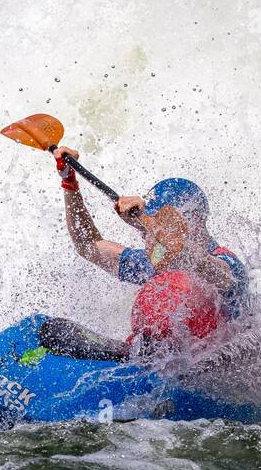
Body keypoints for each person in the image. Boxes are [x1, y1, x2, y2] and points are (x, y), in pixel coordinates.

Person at [33, 144, 248, 363]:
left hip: (218, 365)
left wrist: (149, 223)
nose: (149, 230)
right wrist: (70, 184)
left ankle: (139, 356)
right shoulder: (154, 262)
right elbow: (88, 245)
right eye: (153, 220)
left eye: (162, 220)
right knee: (52, 331)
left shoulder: (227, 262)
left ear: (195, 221)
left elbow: (203, 266)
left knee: (178, 281)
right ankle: (136, 354)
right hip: (158, 357)